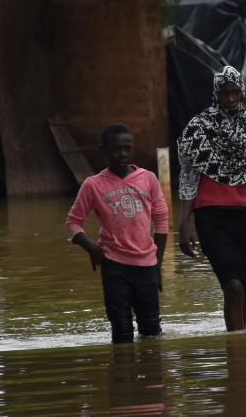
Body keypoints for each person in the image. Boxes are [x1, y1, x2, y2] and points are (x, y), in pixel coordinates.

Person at [175, 66, 246, 331]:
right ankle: (237, 353)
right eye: (224, 93)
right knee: (232, 285)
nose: (230, 99)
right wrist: (184, 224)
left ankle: (239, 356)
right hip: (211, 216)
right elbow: (189, 180)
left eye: (235, 93)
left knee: (242, 288)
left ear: (242, 93)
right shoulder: (197, 131)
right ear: (215, 94)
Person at [66, 123, 170, 344]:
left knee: (151, 328)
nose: (122, 154)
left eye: (127, 148)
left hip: (146, 265)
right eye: (115, 149)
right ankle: (124, 374)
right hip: (114, 265)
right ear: (103, 150)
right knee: (121, 329)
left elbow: (161, 220)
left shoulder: (148, 178)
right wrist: (92, 248)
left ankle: (151, 374)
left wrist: (157, 264)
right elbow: (73, 223)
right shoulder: (92, 185)